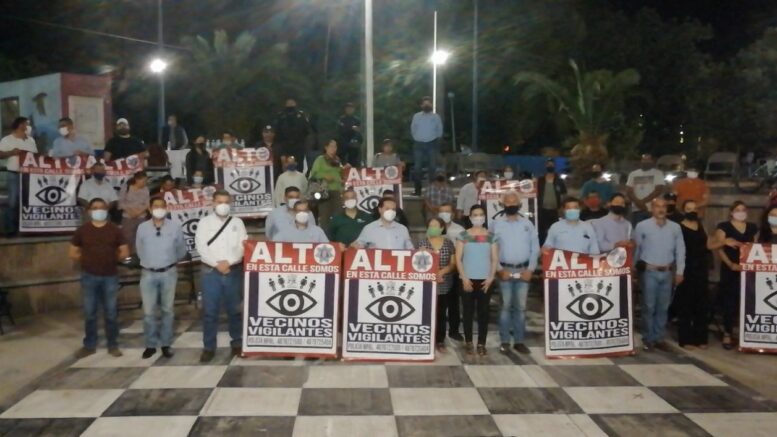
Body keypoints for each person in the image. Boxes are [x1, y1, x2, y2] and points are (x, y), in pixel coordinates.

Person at [69, 198, 130, 358]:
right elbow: (73, 252)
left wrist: (112, 259)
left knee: (111, 313)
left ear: (106, 211)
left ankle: (113, 344)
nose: (98, 210)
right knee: (90, 313)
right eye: (95, 208)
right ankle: (89, 344)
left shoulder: (114, 230)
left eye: (102, 207)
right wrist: (88, 260)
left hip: (110, 276)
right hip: (89, 276)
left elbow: (124, 251)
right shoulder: (82, 230)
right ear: (89, 211)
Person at [194, 189, 248, 362]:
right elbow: (201, 247)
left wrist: (229, 262)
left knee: (235, 310)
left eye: (226, 202)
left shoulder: (238, 222)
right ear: (213, 203)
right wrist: (217, 264)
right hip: (211, 272)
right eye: (219, 202)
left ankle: (237, 343)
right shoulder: (204, 223)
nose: (223, 205)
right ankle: (209, 347)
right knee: (210, 312)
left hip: (233, 271)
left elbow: (243, 245)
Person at [136, 197, 187, 359]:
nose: (159, 209)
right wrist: (150, 262)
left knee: (167, 310)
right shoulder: (142, 228)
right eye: (156, 206)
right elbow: (139, 249)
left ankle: (166, 344)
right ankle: (150, 344)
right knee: (148, 312)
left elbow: (181, 250)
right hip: (148, 274)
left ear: (167, 208)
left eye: (162, 206)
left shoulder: (175, 227)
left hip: (169, 273)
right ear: (150, 209)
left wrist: (168, 261)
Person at [634, 197, 686, 351]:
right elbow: (637, 249)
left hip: (667, 271)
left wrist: (680, 271)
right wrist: (633, 269)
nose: (661, 209)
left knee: (663, 307)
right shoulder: (642, 226)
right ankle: (648, 337)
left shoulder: (675, 227)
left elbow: (680, 250)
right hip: (649, 271)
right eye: (657, 206)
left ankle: (659, 337)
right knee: (649, 306)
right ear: (652, 208)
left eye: (663, 206)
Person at [492, 191, 540, 354]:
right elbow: (491, 249)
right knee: (505, 307)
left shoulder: (528, 224)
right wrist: (499, 269)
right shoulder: (496, 224)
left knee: (521, 307)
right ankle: (505, 341)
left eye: (514, 202)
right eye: (508, 201)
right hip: (504, 272)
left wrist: (530, 269)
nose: (511, 204)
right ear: (503, 204)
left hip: (524, 271)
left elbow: (535, 248)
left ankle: (519, 341)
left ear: (519, 205)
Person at [455, 205, 498, 356]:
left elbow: (494, 259)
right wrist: (464, 278)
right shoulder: (463, 236)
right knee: (467, 312)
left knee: (483, 313)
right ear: (470, 217)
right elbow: (458, 259)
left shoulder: (491, 236)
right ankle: (468, 342)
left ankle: (481, 343)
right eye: (475, 214)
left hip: (485, 281)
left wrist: (491, 278)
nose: (478, 217)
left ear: (484, 217)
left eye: (481, 214)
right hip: (467, 280)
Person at [714, 201, 757, 350]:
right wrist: (731, 264)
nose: (741, 212)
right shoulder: (724, 226)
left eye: (743, 210)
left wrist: (749, 264)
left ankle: (745, 334)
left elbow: (756, 247)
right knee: (729, 301)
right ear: (731, 212)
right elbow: (719, 248)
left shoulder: (752, 227)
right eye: (737, 210)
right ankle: (727, 333)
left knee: (747, 300)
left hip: (747, 269)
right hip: (730, 268)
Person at [675, 200, 712, 349]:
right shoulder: (678, 227)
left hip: (701, 268)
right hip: (686, 267)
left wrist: (723, 242)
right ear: (683, 210)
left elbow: (708, 244)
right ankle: (685, 339)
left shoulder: (701, 225)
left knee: (702, 303)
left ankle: (700, 338)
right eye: (689, 208)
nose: (692, 211)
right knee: (686, 304)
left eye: (694, 208)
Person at [417, 217, 457, 351]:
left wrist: (441, 272)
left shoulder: (448, 243)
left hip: (444, 283)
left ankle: (440, 340)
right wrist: (422, 253)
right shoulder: (422, 243)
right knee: (426, 312)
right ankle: (426, 338)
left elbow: (453, 263)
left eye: (435, 226)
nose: (432, 228)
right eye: (430, 225)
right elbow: (416, 263)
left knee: (441, 312)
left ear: (441, 228)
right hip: (427, 283)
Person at [0, 117, 38, 234]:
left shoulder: (31, 140)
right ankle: (10, 229)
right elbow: (0, 154)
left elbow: (35, 156)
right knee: (13, 201)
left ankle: (25, 229)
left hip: (28, 175)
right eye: (26, 124)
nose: (28, 127)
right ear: (20, 125)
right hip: (14, 174)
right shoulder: (7, 139)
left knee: (27, 201)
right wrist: (12, 152)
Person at [438, 202, 465, 341]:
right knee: (440, 304)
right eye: (442, 211)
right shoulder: (434, 228)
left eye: (447, 211)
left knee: (454, 303)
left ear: (453, 214)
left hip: (455, 270)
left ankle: (454, 330)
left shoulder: (459, 230)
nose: (445, 214)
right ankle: (438, 333)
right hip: (439, 272)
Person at [410, 96, 443, 195]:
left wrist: (435, 138)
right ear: (421, 105)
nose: (426, 105)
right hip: (419, 144)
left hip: (431, 144)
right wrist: (417, 138)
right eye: (425, 104)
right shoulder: (416, 116)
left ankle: (431, 191)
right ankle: (417, 190)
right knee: (417, 168)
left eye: (428, 103)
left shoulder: (436, 117)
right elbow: (413, 129)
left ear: (431, 105)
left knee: (432, 167)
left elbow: (439, 130)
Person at [309, 140, 344, 230]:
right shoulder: (320, 159)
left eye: (335, 146)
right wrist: (324, 176)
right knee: (325, 217)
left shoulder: (337, 160)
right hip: (324, 192)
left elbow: (339, 174)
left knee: (339, 215)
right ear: (326, 147)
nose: (333, 148)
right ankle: (325, 235)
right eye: (331, 146)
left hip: (337, 191)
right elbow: (313, 175)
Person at [626, 153, 665, 225]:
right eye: (644, 159)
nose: (646, 161)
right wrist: (639, 203)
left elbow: (658, 190)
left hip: (652, 210)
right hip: (637, 210)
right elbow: (629, 191)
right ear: (641, 161)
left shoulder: (658, 173)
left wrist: (642, 202)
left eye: (648, 159)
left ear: (652, 161)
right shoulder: (633, 174)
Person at [274, 98, 312, 168]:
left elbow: (306, 131)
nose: (290, 103)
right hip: (285, 147)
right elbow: (277, 133)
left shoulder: (301, 115)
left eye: (292, 102)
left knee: (299, 168)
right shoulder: (280, 116)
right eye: (289, 102)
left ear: (295, 103)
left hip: (298, 147)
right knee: (285, 168)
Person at [536, 159, 567, 244]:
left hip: (555, 211)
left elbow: (564, 195)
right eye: (548, 165)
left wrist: (562, 208)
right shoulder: (540, 180)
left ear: (554, 166)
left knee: (555, 232)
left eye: (552, 165)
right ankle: (542, 247)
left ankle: (555, 248)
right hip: (542, 211)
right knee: (542, 232)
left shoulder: (559, 181)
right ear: (546, 166)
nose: (550, 166)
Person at [118, 171, 150, 253]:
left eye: (146, 181)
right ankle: (127, 255)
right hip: (127, 217)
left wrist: (138, 213)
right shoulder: (126, 187)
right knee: (127, 238)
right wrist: (130, 212)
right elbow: (121, 202)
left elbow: (147, 203)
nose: (145, 183)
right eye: (143, 181)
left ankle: (138, 256)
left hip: (141, 217)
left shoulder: (146, 189)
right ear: (136, 180)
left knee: (140, 238)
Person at [337, 102, 362, 167]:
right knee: (342, 159)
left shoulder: (357, 120)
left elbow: (359, 131)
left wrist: (356, 139)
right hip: (343, 143)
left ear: (354, 109)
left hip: (353, 143)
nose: (349, 110)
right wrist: (351, 128)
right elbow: (341, 129)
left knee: (354, 160)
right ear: (345, 109)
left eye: (351, 108)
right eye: (348, 108)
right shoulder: (341, 119)